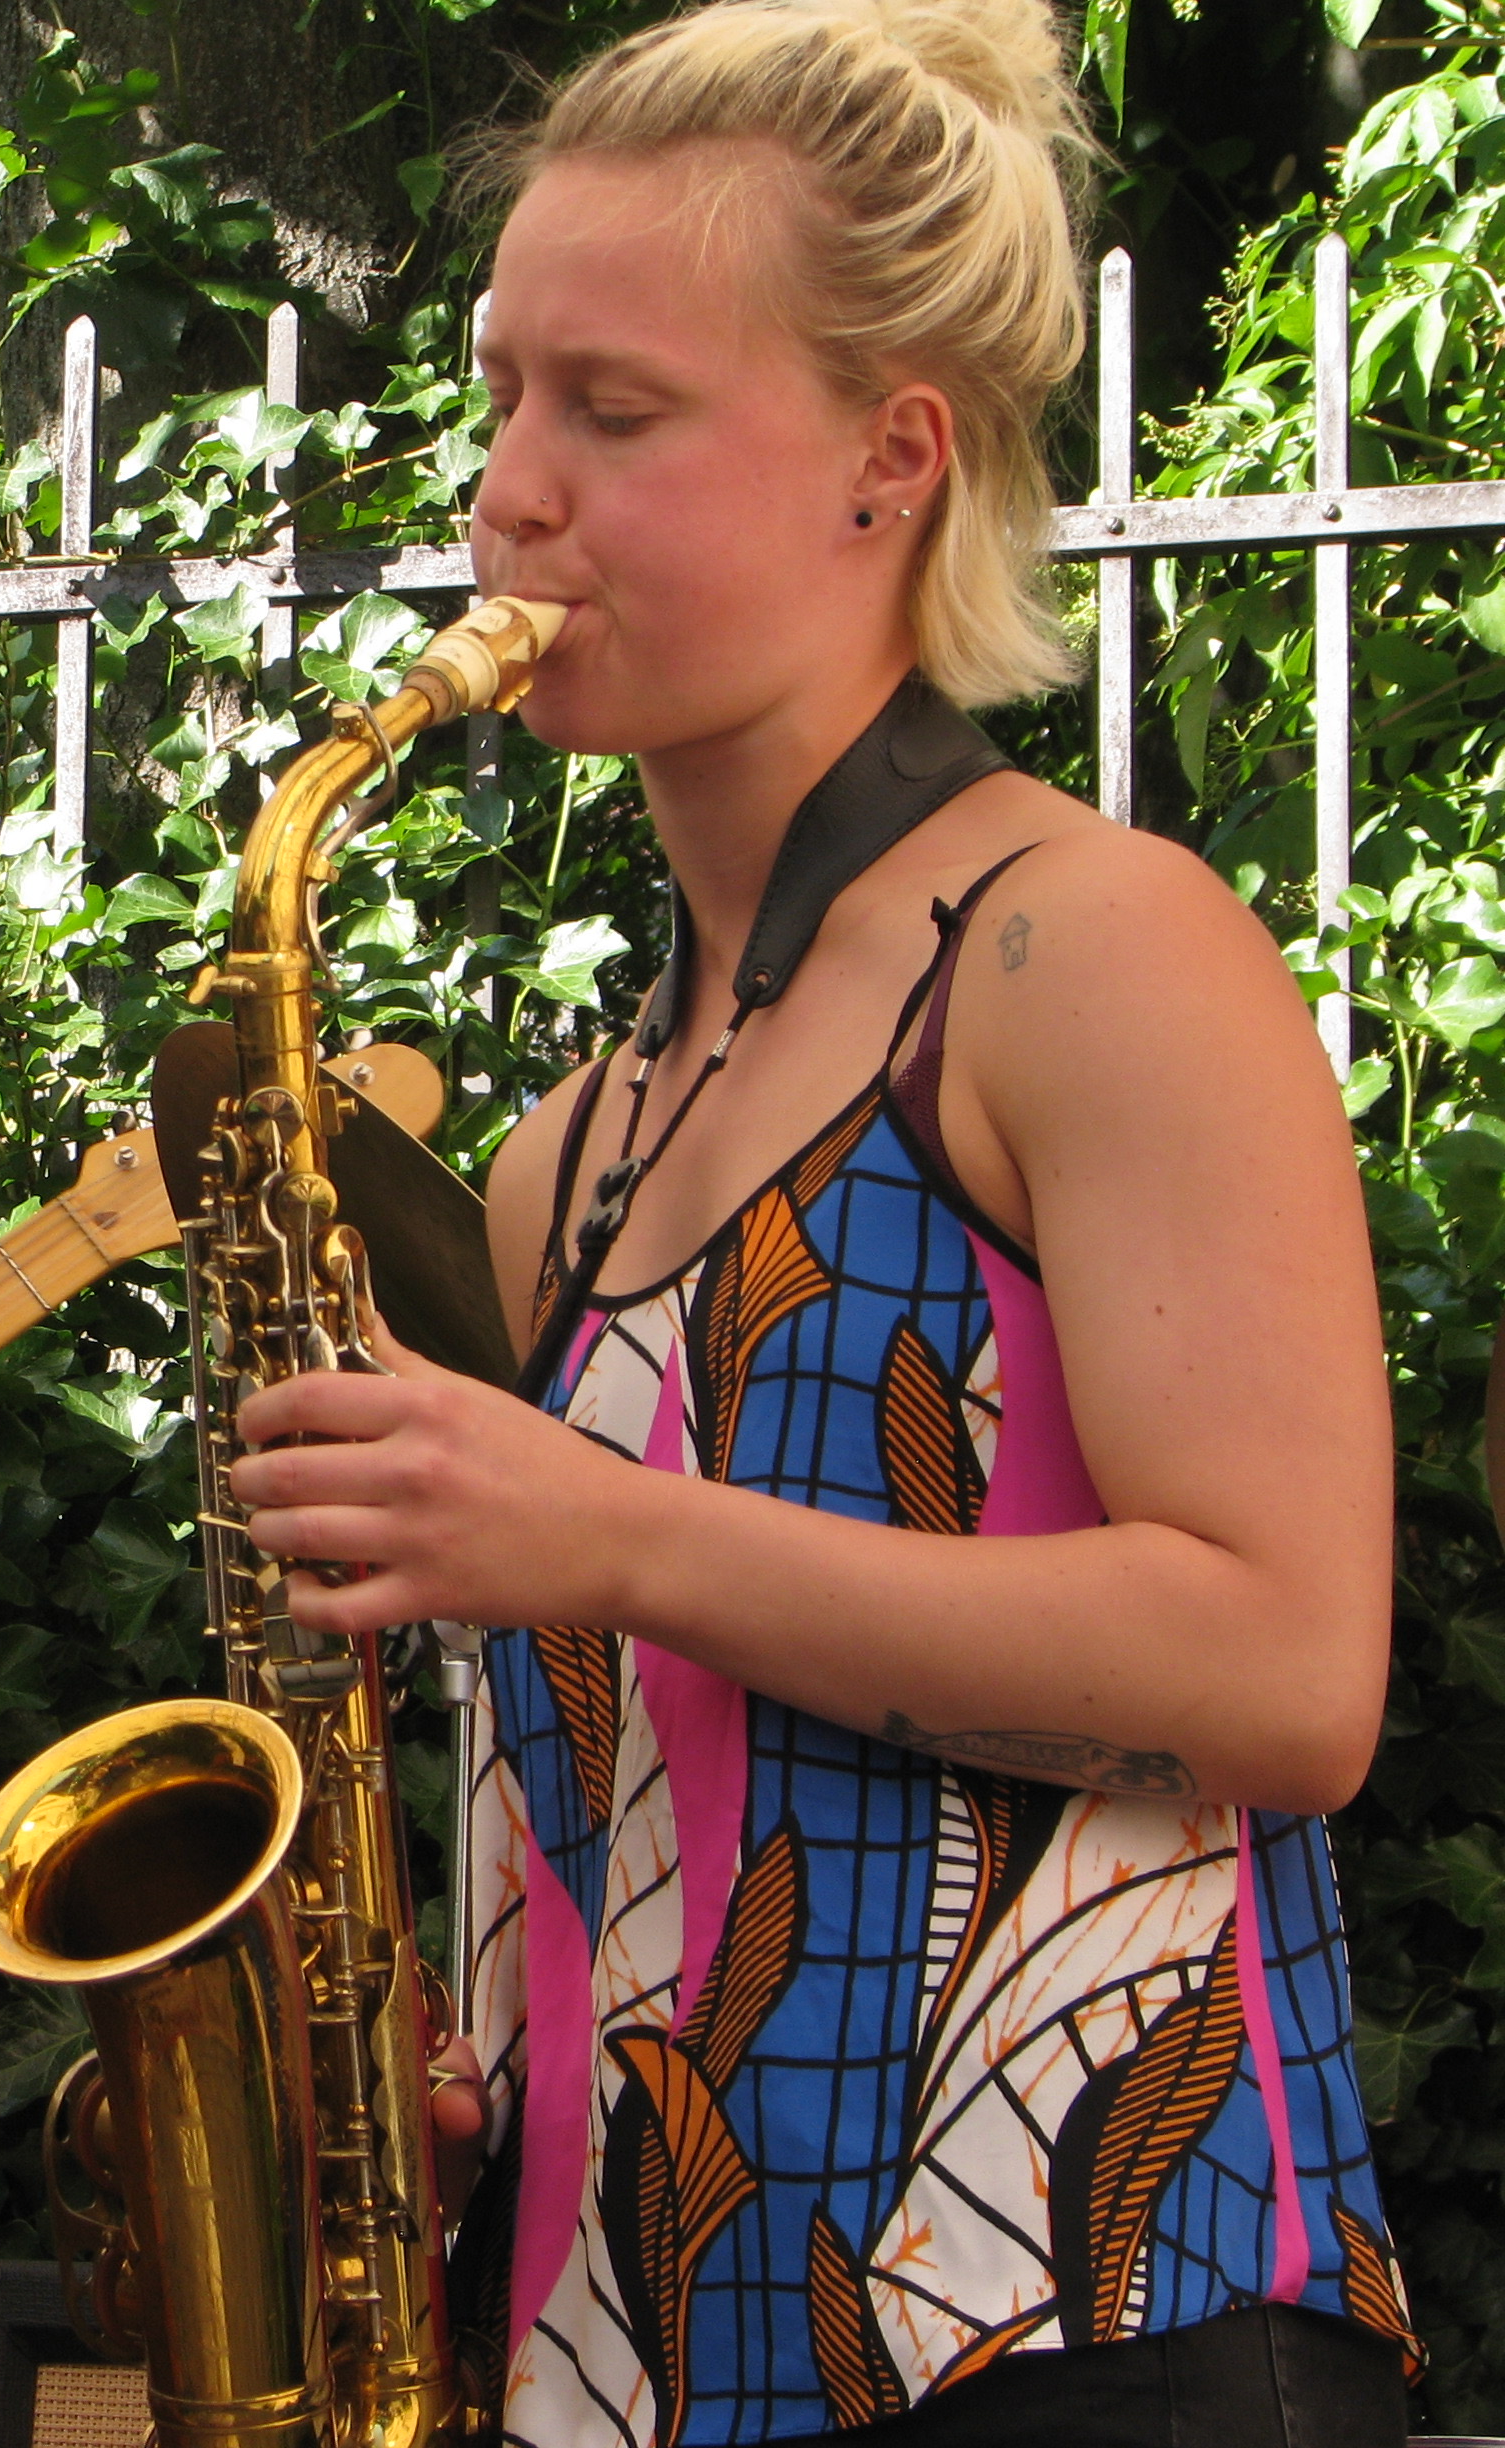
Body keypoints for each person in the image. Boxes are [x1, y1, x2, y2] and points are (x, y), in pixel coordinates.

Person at [220, 2, 1418, 2440]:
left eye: (616, 411)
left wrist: (611, 1534)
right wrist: (458, 2061)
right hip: (648, 2359)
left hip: (1098, 2337)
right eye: (502, 393)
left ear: (896, 458)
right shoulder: (578, 1144)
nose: (507, 498)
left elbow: (1292, 1669)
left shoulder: (1091, 946)